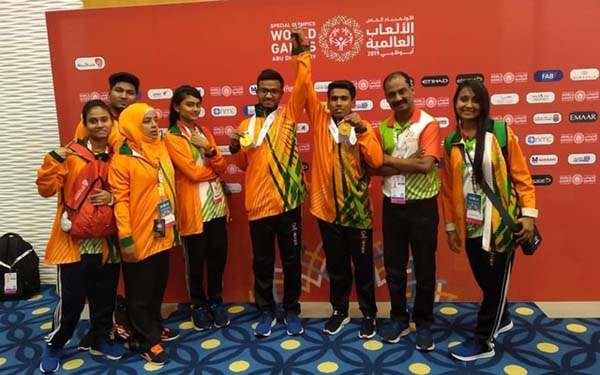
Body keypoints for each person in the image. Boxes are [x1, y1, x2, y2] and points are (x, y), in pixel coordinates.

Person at [441, 79, 537, 361]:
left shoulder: (500, 132)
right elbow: (448, 190)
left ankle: (484, 340)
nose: (468, 105)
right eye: (463, 99)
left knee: (494, 285)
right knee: (485, 279)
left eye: (474, 99)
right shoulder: (451, 142)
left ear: (484, 104)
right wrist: (450, 226)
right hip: (470, 225)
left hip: (501, 226)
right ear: (455, 104)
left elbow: (521, 176)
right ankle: (503, 316)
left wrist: (528, 215)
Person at [228, 28, 310, 337]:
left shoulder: (289, 115)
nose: (269, 95)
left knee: (291, 262)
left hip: (288, 204)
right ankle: (266, 311)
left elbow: (304, 82)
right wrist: (235, 147)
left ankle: (291, 310)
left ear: (281, 93)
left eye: (274, 90)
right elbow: (241, 166)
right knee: (262, 263)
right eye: (264, 90)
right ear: (257, 91)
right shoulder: (246, 125)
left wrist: (301, 53)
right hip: (259, 207)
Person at [37, 100, 124, 374]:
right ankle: (56, 343)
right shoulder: (70, 156)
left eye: (104, 120)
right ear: (84, 124)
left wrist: (112, 197)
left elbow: (131, 191)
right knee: (72, 301)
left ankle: (100, 337)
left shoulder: (119, 155)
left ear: (112, 123)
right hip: (74, 244)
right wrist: (53, 159)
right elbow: (46, 190)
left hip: (107, 243)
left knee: (105, 297)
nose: (100, 125)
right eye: (93, 121)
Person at [304, 61, 384, 337]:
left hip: (358, 211)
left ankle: (369, 314)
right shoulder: (319, 122)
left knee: (363, 267)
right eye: (334, 99)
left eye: (343, 98)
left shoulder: (363, 127)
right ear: (327, 102)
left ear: (353, 101)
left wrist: (361, 130)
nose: (338, 103)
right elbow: (304, 86)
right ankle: (339, 311)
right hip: (327, 210)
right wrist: (301, 53)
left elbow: (375, 160)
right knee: (337, 266)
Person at [368, 72, 441, 350]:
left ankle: (423, 323)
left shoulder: (428, 123)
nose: (397, 98)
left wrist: (389, 160)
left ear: (412, 89)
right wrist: (406, 161)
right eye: (391, 94)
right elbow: (372, 167)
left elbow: (426, 166)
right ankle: (398, 318)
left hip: (423, 207)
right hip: (393, 206)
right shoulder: (383, 127)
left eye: (402, 91)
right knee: (394, 268)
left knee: (425, 269)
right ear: (386, 98)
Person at [108, 103, 180, 365]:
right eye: (146, 121)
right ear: (131, 125)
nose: (153, 126)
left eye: (154, 120)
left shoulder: (159, 148)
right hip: (137, 235)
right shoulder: (122, 159)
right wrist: (126, 239)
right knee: (139, 291)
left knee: (157, 285)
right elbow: (121, 202)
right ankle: (146, 340)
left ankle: (153, 324)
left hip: (162, 231)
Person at [165, 85, 230, 331]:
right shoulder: (172, 137)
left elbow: (222, 166)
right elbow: (191, 173)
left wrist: (210, 148)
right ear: (176, 107)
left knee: (217, 257)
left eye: (197, 104)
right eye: (189, 104)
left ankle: (216, 301)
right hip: (193, 210)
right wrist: (213, 169)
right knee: (195, 261)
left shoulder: (204, 132)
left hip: (215, 207)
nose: (194, 109)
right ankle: (197, 305)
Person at [73, 72, 140, 149]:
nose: (124, 96)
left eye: (130, 93)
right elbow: (79, 151)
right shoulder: (92, 120)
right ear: (109, 93)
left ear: (136, 98)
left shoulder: (140, 121)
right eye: (119, 91)